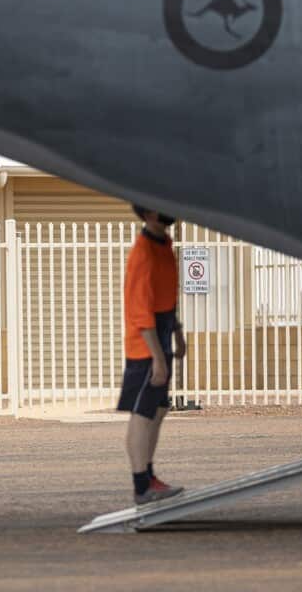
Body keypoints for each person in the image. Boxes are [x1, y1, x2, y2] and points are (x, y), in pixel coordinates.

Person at [118, 206, 187, 506]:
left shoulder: (165, 246)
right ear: (147, 214)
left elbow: (167, 297)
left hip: (162, 334)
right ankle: (141, 484)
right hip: (145, 344)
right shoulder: (142, 254)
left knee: (158, 410)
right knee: (142, 413)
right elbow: (140, 312)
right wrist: (158, 357)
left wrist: (178, 333)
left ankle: (149, 477)